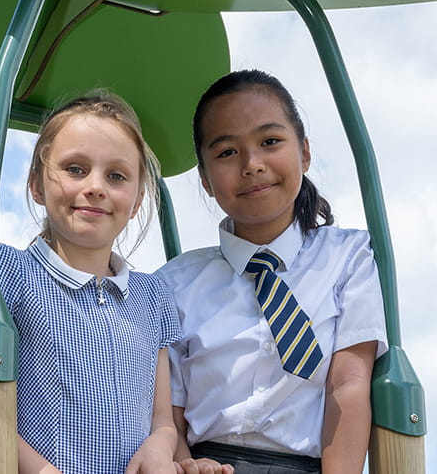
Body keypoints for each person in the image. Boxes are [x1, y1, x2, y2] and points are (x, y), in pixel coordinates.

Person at [158, 70, 388, 474]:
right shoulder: (174, 283)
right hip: (207, 465)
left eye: (269, 142)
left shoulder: (348, 257)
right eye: (227, 152)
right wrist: (183, 463)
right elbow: (167, 412)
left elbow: (349, 384)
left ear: (304, 152)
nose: (252, 165)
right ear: (206, 180)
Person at [0, 92, 182, 474]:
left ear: (137, 201)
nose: (95, 186)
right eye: (75, 169)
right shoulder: (9, 270)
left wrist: (159, 444)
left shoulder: (152, 296)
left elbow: (163, 417)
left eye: (116, 176)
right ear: (37, 185)